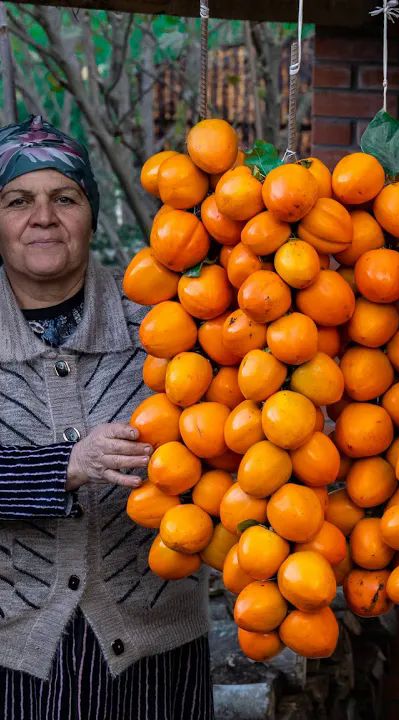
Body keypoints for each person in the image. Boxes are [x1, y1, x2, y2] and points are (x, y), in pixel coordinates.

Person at [0, 116, 211, 719]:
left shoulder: (163, 322)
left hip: (158, 652)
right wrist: (65, 465)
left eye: (65, 198)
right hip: (18, 656)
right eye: (19, 201)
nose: (43, 217)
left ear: (90, 212)